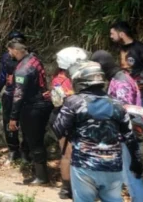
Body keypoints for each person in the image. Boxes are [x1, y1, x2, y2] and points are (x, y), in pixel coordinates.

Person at [51, 61, 142, 202]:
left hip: (84, 165)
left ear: (80, 81)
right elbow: (130, 136)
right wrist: (136, 162)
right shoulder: (117, 105)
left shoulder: (74, 102)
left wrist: (58, 108)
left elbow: (58, 129)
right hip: (113, 166)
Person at [93, 50, 143, 202]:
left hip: (125, 136)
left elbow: (124, 111)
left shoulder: (121, 81)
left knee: (131, 177)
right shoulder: (116, 79)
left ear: (100, 65)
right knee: (124, 176)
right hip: (120, 135)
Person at [110, 22, 143, 181]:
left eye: (112, 33)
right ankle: (132, 167)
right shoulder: (121, 49)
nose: (111, 37)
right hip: (128, 96)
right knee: (128, 132)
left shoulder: (142, 50)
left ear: (121, 33)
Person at [8, 39, 53, 185]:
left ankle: (41, 177)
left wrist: (13, 117)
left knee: (35, 141)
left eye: (10, 51)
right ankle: (35, 169)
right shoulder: (34, 59)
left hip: (33, 107)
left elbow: (18, 95)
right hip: (43, 103)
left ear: (15, 50)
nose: (9, 54)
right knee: (35, 139)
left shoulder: (23, 69)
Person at [52, 46, 89, 199]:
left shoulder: (78, 76)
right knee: (68, 153)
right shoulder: (61, 79)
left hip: (75, 117)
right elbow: (61, 100)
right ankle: (67, 187)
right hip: (65, 117)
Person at [0, 30, 28, 163]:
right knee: (9, 124)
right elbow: (3, 76)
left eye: (19, 41)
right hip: (10, 94)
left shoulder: (30, 58)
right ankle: (13, 150)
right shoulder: (6, 57)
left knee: (26, 124)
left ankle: (26, 151)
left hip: (25, 95)